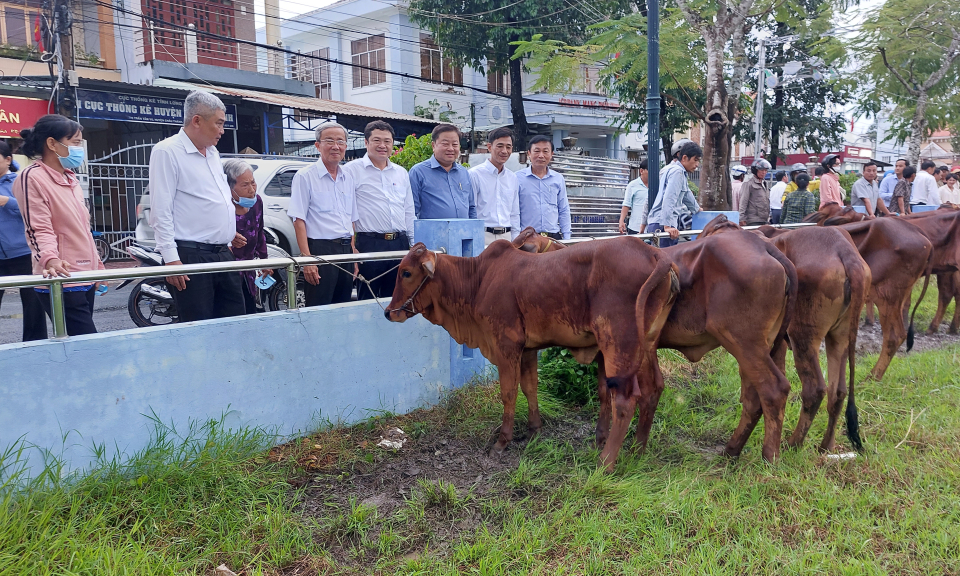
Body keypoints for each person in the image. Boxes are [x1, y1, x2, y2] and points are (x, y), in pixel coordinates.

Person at [149, 91, 244, 322]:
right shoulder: (167, 151)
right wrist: (172, 260)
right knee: (199, 326)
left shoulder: (212, 153)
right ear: (197, 120)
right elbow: (161, 209)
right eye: (219, 123)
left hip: (222, 254)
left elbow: (208, 199)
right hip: (191, 256)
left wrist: (227, 231)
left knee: (236, 321)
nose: (223, 131)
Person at [12, 114, 105, 336]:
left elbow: (82, 229)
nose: (79, 148)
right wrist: (50, 259)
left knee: (75, 345)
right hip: (60, 276)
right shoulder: (31, 177)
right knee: (86, 343)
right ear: (52, 143)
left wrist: (97, 266)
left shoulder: (70, 179)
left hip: (84, 274)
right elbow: (38, 228)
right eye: (74, 142)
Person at [288, 122, 359, 307]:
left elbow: (350, 220)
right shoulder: (305, 176)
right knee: (319, 308)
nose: (336, 146)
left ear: (345, 146)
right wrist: (307, 259)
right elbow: (298, 220)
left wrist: (353, 254)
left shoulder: (348, 177)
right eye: (329, 141)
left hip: (345, 252)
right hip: (320, 251)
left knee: (343, 306)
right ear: (317, 145)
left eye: (340, 141)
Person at [343, 120, 414, 300]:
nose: (382, 145)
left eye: (387, 141)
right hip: (370, 243)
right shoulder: (351, 170)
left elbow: (408, 210)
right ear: (366, 142)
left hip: (400, 243)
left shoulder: (401, 172)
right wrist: (352, 246)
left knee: (398, 298)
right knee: (369, 297)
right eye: (377, 140)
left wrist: (412, 244)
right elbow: (345, 211)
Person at [0, 141, 47, 341]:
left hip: (23, 253)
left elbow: (34, 211)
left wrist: (7, 202)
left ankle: (35, 344)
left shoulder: (19, 182)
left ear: (8, 159)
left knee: (32, 304)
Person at [223, 159, 271, 314]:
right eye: (245, 185)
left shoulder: (257, 202)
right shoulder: (221, 206)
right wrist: (228, 236)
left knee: (250, 312)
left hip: (248, 271)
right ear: (229, 187)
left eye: (253, 183)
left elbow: (259, 232)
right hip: (227, 274)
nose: (252, 189)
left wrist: (264, 261)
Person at [409, 123, 475, 220]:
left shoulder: (463, 172)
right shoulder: (418, 172)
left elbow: (471, 207)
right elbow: (411, 210)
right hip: (432, 233)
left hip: (463, 233)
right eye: (445, 144)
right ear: (433, 145)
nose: (451, 148)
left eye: (455, 144)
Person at [469, 126, 520, 244]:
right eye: (500, 146)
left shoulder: (513, 178)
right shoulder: (474, 175)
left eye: (508, 147)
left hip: (507, 236)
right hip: (483, 236)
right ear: (489, 147)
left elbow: (514, 213)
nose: (504, 151)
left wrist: (515, 239)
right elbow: (472, 211)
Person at [646, 140, 702, 247]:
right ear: (684, 158)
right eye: (695, 160)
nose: (697, 164)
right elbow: (669, 198)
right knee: (665, 261)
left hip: (659, 222)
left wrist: (697, 209)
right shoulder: (677, 172)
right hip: (664, 225)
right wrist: (667, 226)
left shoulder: (674, 170)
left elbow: (686, 195)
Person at [517, 135, 571, 240]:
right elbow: (514, 211)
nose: (541, 155)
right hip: (528, 238)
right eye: (536, 151)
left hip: (553, 237)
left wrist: (567, 237)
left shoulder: (558, 178)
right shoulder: (517, 178)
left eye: (545, 151)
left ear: (551, 154)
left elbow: (563, 209)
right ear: (529, 153)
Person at [618, 158, 650, 234]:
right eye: (649, 171)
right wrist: (621, 221)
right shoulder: (632, 185)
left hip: (652, 228)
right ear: (641, 171)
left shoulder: (657, 185)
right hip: (635, 227)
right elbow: (626, 204)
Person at [739, 158, 771, 226]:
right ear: (755, 170)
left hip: (764, 220)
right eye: (762, 170)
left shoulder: (765, 183)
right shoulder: (748, 184)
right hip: (753, 220)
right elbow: (743, 202)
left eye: (766, 170)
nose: (764, 172)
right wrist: (741, 218)